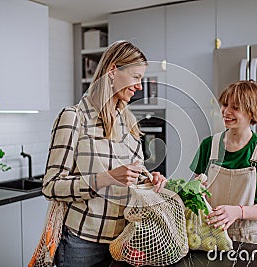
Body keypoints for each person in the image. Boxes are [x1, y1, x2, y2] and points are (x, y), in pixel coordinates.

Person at [41, 41, 167, 267]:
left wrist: (150, 179)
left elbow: (134, 173)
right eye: (136, 77)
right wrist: (107, 178)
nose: (140, 85)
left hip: (124, 241)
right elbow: (51, 186)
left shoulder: (127, 121)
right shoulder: (74, 118)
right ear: (112, 71)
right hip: (82, 244)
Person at [190, 80, 257, 245]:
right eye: (225, 104)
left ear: (252, 112)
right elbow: (194, 191)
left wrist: (238, 211)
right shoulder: (209, 146)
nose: (226, 111)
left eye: (235, 108)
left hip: (248, 236)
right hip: (209, 233)